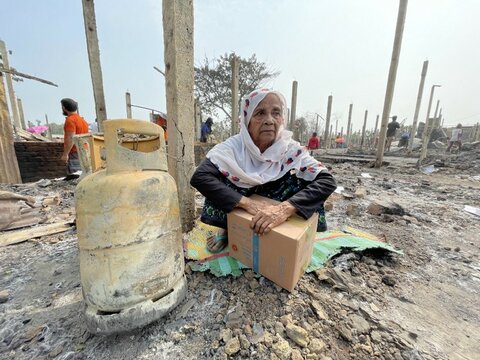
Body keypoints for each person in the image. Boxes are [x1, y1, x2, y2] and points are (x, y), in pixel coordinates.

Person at [190, 89, 337, 253]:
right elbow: (200, 177)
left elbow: (327, 181)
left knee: (308, 178)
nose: (269, 120)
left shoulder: (289, 149)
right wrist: (247, 203)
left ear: (282, 119)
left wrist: (284, 209)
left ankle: (286, 231)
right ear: (247, 120)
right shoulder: (233, 147)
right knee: (219, 178)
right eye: (260, 113)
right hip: (243, 199)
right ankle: (227, 226)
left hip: (273, 201)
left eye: (276, 113)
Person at [60, 98, 89, 177]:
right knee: (83, 175)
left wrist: (65, 154)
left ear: (64, 108)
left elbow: (71, 138)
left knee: (74, 176)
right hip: (84, 151)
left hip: (75, 152)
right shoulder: (82, 120)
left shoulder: (70, 120)